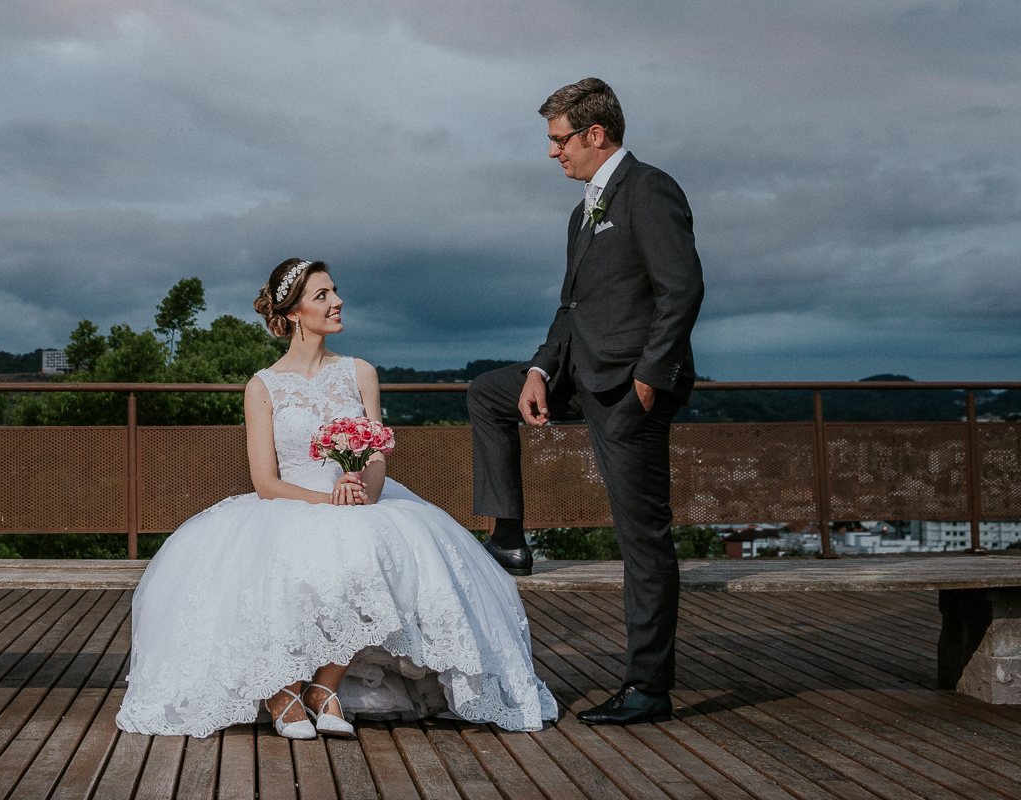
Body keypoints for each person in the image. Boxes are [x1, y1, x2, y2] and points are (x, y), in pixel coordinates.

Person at [117, 258, 556, 739]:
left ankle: (325, 688)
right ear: (293, 313)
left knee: (365, 552)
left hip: (359, 498)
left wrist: (363, 490)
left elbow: (379, 452)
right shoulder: (262, 385)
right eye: (322, 295)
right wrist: (326, 501)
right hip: (289, 502)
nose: (337, 301)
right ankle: (282, 690)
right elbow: (265, 481)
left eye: (335, 291)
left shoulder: (359, 371)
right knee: (283, 566)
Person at [468, 78, 704, 726]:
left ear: (595, 134)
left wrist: (649, 379)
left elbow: (681, 291)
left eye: (558, 139)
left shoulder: (649, 190)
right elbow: (571, 309)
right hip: (582, 369)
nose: (553, 153)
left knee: (641, 538)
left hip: (630, 388)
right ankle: (510, 537)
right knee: (489, 393)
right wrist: (542, 370)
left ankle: (648, 687)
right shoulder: (583, 212)